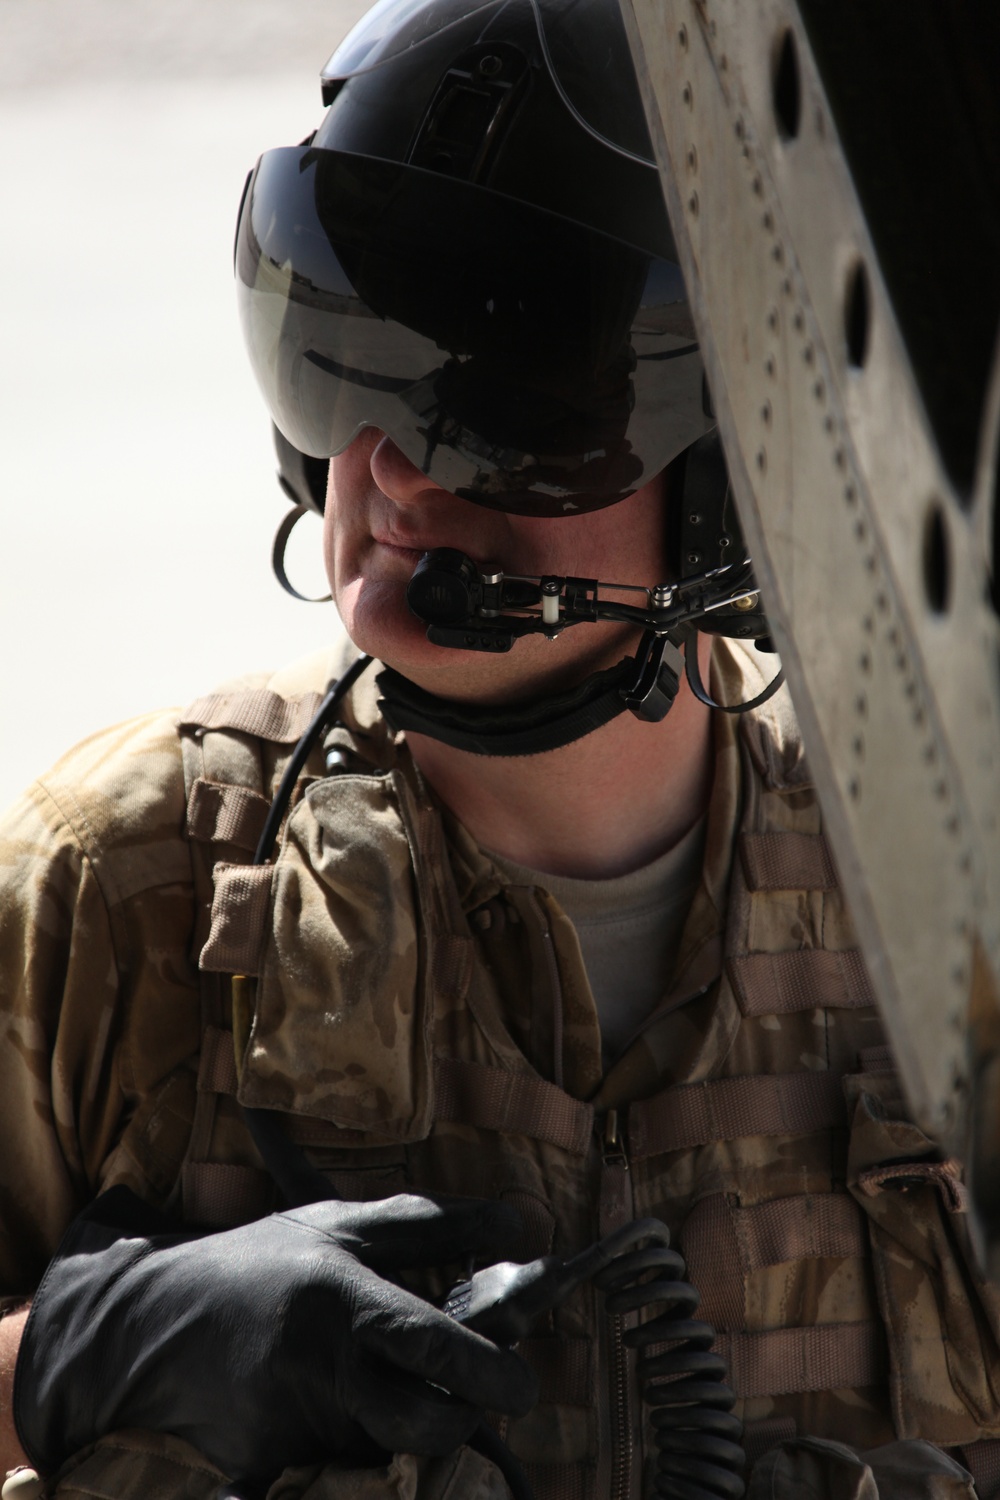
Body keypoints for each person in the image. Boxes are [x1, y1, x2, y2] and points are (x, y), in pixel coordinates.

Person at [2, 0, 1000, 1497]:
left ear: (732, 479)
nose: (387, 468)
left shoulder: (941, 917)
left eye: (508, 398)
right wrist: (83, 1354)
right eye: (343, 348)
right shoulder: (120, 880)